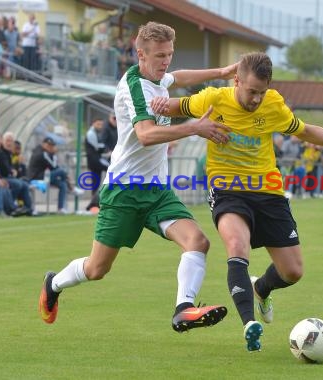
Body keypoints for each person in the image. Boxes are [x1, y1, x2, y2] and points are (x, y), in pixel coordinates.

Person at [152, 52, 323, 351]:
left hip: (268, 191)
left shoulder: (273, 105)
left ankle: (261, 287)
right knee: (237, 246)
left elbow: (305, 130)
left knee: (292, 272)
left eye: (261, 92)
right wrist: (159, 105)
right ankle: (248, 324)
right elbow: (174, 107)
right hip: (227, 189)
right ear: (237, 80)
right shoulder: (212, 99)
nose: (256, 98)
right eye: (251, 91)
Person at [38, 22, 238, 333]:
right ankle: (54, 283)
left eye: (169, 54)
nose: (166, 61)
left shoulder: (158, 78)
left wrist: (222, 71)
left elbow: (180, 76)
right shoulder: (134, 85)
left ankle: (183, 309)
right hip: (124, 191)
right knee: (96, 269)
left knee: (197, 241)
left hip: (157, 191)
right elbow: (145, 135)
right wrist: (193, 127)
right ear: (140, 53)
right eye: (160, 55)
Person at [27, 136, 83, 214]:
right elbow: (53, 166)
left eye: (52, 146)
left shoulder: (45, 152)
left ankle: (61, 208)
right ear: (43, 144)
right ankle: (72, 189)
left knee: (62, 184)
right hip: (37, 178)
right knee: (62, 171)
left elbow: (54, 167)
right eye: (48, 145)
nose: (50, 147)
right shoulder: (42, 153)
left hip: (44, 176)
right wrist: (54, 154)